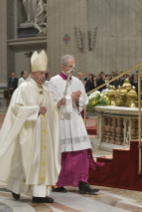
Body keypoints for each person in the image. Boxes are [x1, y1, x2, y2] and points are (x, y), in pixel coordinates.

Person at [0, 50, 63, 203]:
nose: (43, 76)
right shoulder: (24, 89)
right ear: (33, 74)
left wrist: (58, 106)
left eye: (44, 73)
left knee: (40, 161)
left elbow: (51, 111)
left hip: (42, 134)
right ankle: (15, 187)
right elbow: (16, 109)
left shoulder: (46, 91)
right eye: (40, 73)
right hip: (28, 132)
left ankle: (39, 194)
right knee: (24, 162)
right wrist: (35, 110)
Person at [48, 55, 101, 194]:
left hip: (76, 120)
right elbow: (53, 102)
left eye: (74, 66)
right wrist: (70, 98)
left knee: (81, 150)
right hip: (62, 120)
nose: (73, 69)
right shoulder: (53, 81)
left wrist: (78, 101)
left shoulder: (77, 81)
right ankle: (58, 183)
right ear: (63, 67)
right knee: (63, 152)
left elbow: (84, 100)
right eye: (70, 66)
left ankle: (83, 182)